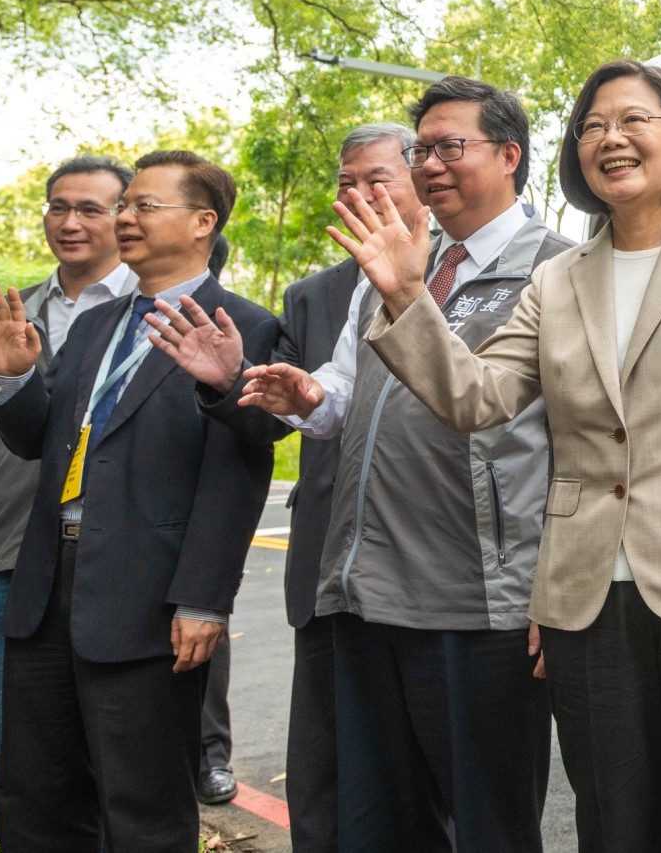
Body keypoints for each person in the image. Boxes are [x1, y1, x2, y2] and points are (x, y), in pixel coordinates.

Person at [296, 58, 661, 853]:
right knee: (614, 825)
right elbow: (476, 399)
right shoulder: (558, 278)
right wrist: (409, 298)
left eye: (632, 120)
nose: (610, 139)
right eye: (592, 126)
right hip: (586, 600)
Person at [160, 79, 565, 853]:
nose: (432, 165)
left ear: (510, 155)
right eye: (422, 152)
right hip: (366, 592)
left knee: (488, 826)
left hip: (479, 600)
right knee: (380, 824)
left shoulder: (557, 269)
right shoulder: (395, 264)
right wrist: (304, 395)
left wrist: (557, 583)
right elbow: (346, 395)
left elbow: (575, 439)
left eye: (453, 147)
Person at [0, 150, 276, 853]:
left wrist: (205, 596)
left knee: (141, 806)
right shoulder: (96, 326)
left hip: (149, 599)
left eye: (143, 205)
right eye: (125, 205)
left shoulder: (243, 325)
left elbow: (239, 467)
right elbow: (44, 444)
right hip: (48, 587)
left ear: (203, 222)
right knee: (36, 796)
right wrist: (15, 379)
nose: (124, 218)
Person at [0, 155, 135, 836]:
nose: (69, 222)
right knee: (3, 761)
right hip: (8, 563)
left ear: (125, 217)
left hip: (112, 570)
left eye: (91, 208)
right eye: (57, 206)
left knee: (111, 771)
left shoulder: (153, 309)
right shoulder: (11, 313)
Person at [272, 123, 417, 853]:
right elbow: (298, 407)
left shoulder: (467, 275)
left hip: (427, 568)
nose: (357, 195)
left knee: (414, 780)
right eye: (346, 181)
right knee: (324, 774)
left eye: (376, 178)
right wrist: (259, 385)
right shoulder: (314, 296)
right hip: (329, 559)